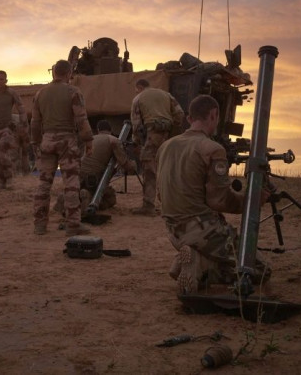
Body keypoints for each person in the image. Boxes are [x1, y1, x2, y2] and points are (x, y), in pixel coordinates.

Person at [157, 95, 270, 295]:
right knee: (259, 270)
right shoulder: (212, 149)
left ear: (189, 118)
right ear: (213, 115)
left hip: (173, 230)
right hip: (202, 230)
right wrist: (251, 201)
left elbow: (160, 194)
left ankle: (191, 256)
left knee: (225, 247)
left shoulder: (166, 146)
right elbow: (219, 200)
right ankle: (201, 266)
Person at [31, 60, 94, 236]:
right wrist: (88, 141)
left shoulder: (40, 93)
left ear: (53, 73)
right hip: (67, 141)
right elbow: (81, 119)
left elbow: (35, 122)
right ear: (69, 73)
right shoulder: (73, 92)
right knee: (71, 183)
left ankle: (40, 224)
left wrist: (35, 143)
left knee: (44, 183)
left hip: (47, 141)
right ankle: (73, 224)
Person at [53, 119, 137, 219]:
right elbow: (124, 163)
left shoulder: (91, 139)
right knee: (110, 199)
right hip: (94, 177)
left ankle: (71, 198)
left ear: (98, 130)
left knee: (79, 189)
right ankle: (86, 197)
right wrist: (134, 165)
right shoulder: (113, 140)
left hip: (78, 173)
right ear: (110, 130)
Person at [130, 78, 184, 215]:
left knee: (148, 166)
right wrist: (173, 133)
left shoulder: (138, 98)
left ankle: (148, 205)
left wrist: (136, 142)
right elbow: (179, 114)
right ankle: (171, 203)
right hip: (167, 135)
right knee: (167, 167)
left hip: (152, 133)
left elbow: (136, 124)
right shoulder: (166, 95)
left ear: (140, 87)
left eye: (136, 89)